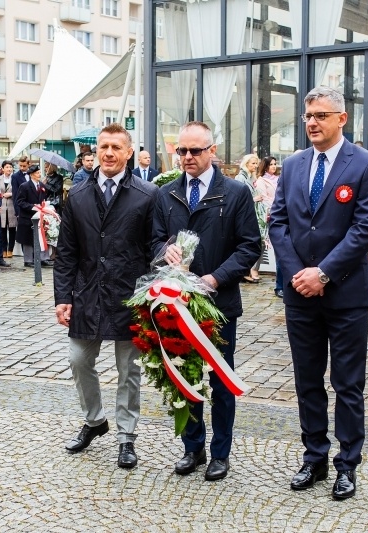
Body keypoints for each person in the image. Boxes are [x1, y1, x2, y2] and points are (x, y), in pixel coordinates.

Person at [269, 86, 368, 500]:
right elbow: (278, 223)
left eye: (321, 115)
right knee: (307, 381)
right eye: (308, 116)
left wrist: (325, 273)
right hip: (301, 295)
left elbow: (365, 228)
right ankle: (314, 456)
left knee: (348, 383)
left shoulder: (365, 164)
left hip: (346, 295)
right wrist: (299, 272)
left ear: (342, 119)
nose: (312, 123)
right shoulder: (294, 164)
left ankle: (347, 465)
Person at [152, 121, 260, 482]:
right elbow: (152, 242)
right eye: (181, 151)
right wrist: (165, 251)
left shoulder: (235, 193)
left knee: (221, 380)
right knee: (185, 377)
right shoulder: (165, 193)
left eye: (194, 151)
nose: (186, 157)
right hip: (176, 304)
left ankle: (220, 453)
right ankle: (192, 447)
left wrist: (215, 278)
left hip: (219, 304)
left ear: (212, 151)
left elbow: (249, 247)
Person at [54, 123, 159, 470]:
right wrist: (62, 296)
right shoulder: (78, 195)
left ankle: (127, 437)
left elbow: (154, 247)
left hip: (129, 297)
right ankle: (95, 421)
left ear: (129, 152)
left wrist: (153, 292)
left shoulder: (146, 194)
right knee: (78, 360)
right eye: (104, 147)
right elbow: (66, 251)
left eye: (116, 147)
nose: (109, 153)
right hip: (87, 294)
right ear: (95, 152)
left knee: (128, 370)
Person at [15, 164, 54, 268]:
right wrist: (33, 207)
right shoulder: (24, 186)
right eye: (37, 173)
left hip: (40, 216)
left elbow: (44, 198)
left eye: (39, 172)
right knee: (27, 239)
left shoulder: (41, 185)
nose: (39, 174)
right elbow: (20, 201)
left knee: (42, 236)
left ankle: (43, 258)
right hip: (28, 216)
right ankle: (28, 260)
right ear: (31, 175)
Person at [235, 154, 266, 283]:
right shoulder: (240, 178)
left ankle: (250, 270)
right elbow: (237, 199)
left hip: (255, 213)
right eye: (252, 163)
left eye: (256, 163)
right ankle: (246, 271)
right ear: (246, 164)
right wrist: (254, 199)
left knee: (259, 241)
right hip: (246, 214)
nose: (255, 165)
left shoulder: (251, 177)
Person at [255, 156, 281, 294]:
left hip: (278, 211)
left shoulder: (277, 179)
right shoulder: (261, 181)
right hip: (268, 214)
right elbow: (263, 198)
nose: (274, 166)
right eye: (271, 164)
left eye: (275, 164)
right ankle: (254, 269)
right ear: (265, 166)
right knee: (266, 242)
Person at [0, 160, 17, 258]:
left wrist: (11, 194)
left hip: (12, 206)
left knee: (12, 229)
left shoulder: (15, 179)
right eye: (7, 167)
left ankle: (10, 249)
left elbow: (19, 192)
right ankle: (3, 249)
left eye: (10, 167)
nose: (9, 169)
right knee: (2, 229)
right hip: (2, 206)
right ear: (3, 169)